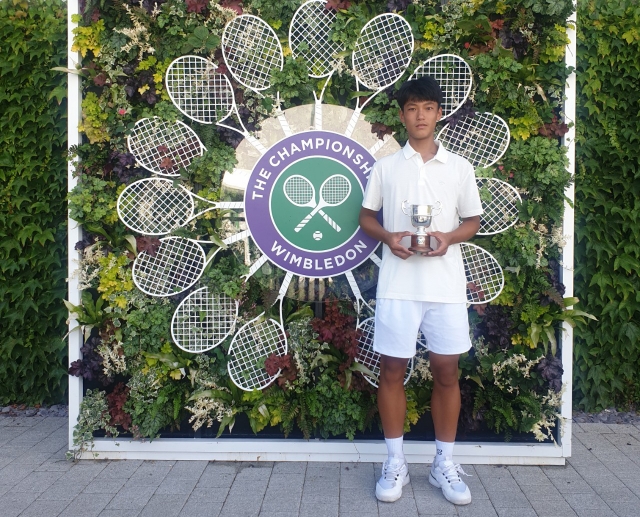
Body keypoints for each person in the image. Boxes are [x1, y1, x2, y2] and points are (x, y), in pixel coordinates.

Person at [359, 75, 482, 505]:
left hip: (445, 287)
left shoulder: (460, 167)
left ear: (439, 113)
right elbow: (366, 217)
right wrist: (390, 237)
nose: (420, 115)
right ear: (402, 116)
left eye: (427, 107)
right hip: (398, 285)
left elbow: (472, 221)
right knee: (392, 371)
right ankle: (395, 463)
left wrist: (448, 238)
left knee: (448, 372)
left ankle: (443, 465)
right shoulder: (385, 167)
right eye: (412, 108)